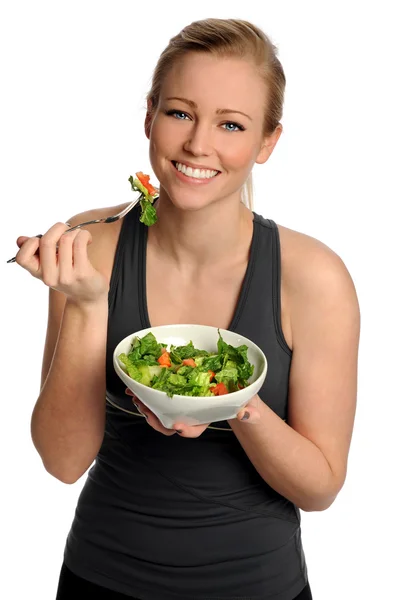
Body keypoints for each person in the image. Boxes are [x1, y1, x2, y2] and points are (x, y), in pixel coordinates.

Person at [14, 18, 360, 600]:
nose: (200, 144)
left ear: (267, 142)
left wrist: (234, 405)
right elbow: (63, 461)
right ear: (149, 115)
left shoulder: (314, 278)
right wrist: (89, 304)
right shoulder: (87, 244)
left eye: (231, 124)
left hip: (259, 588)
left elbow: (320, 488)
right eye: (180, 113)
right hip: (101, 577)